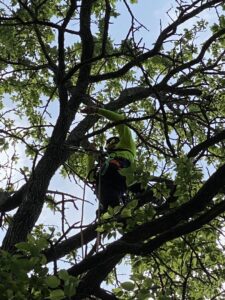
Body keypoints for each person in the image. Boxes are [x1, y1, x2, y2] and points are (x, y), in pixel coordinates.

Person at [82, 106, 137, 213]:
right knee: (100, 182)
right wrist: (90, 155)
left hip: (123, 170)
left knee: (110, 167)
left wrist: (97, 111)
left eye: (113, 142)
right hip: (111, 184)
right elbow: (91, 177)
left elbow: (120, 120)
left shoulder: (126, 144)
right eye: (108, 144)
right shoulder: (106, 161)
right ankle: (111, 210)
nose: (110, 145)